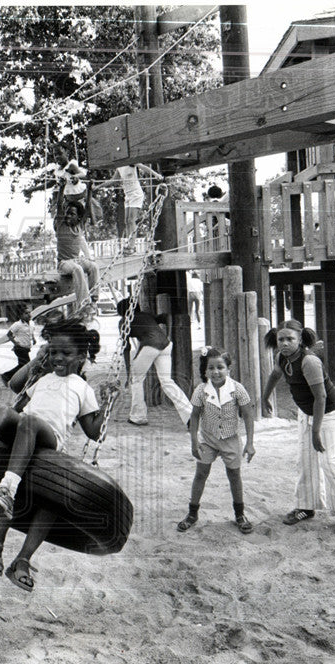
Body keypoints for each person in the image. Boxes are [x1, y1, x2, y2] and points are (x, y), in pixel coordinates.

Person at [0, 319, 113, 593]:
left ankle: (23, 559)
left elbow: (94, 432)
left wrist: (107, 402)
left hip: (50, 443)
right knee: (6, 413)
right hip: (23, 438)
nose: (57, 358)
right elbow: (16, 385)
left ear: (81, 356)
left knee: (48, 503)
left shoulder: (82, 387)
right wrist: (36, 361)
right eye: (53, 351)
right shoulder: (42, 378)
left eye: (65, 354)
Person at [261, 320, 335, 534]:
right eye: (281, 339)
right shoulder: (282, 357)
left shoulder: (309, 361)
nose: (284, 343)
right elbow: (275, 374)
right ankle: (306, 505)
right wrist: (265, 396)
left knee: (330, 462)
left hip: (329, 411)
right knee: (305, 460)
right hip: (307, 410)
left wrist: (315, 431)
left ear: (300, 339)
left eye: (290, 339)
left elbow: (321, 397)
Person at [179, 347, 256, 534]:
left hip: (231, 440)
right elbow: (195, 416)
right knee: (201, 474)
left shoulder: (237, 389)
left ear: (228, 369)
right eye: (211, 368)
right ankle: (192, 513)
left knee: (234, 476)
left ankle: (240, 514)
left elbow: (247, 415)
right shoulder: (201, 391)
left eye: (220, 367)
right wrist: (194, 441)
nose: (215, 372)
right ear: (205, 371)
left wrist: (250, 443)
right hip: (208, 440)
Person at [115, 295, 192, 427]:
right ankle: (190, 414)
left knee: (136, 380)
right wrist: (168, 334)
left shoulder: (123, 321)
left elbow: (126, 348)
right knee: (167, 382)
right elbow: (167, 316)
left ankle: (138, 416)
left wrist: (129, 374)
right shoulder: (146, 315)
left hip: (150, 346)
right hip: (166, 345)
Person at [102, 163, 163, 253]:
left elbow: (144, 167)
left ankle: (131, 246)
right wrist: (98, 187)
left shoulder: (131, 162)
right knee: (126, 221)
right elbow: (112, 181)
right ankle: (129, 245)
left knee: (131, 220)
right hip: (128, 195)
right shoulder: (119, 167)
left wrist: (156, 174)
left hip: (136, 194)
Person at [53, 194, 98, 317]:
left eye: (72, 214)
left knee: (93, 266)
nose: (68, 216)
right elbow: (59, 206)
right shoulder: (61, 225)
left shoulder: (80, 226)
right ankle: (83, 303)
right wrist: (61, 188)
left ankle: (94, 299)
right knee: (77, 269)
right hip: (64, 264)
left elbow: (87, 209)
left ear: (79, 218)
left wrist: (89, 190)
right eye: (67, 213)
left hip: (76, 260)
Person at [1, 303, 35, 386]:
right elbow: (9, 334)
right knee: (25, 365)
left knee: (22, 365)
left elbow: (31, 332)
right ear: (21, 315)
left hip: (26, 347)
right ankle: (7, 376)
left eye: (29, 312)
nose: (28, 315)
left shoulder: (32, 323)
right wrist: (16, 343)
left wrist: (33, 339)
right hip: (20, 348)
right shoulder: (17, 325)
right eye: (26, 313)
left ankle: (8, 376)